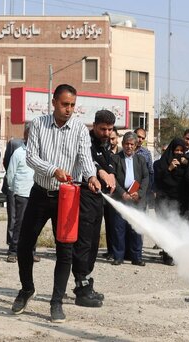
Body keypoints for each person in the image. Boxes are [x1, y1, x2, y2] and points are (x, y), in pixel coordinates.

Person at [11, 84, 100, 323]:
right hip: (40, 195)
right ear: (53, 102)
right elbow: (31, 157)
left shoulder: (80, 130)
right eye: (64, 104)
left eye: (72, 105)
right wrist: (53, 170)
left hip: (67, 199)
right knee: (24, 245)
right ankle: (27, 289)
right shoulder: (38, 124)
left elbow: (85, 158)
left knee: (65, 251)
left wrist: (91, 177)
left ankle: (56, 302)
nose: (69, 109)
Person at [72, 109, 116, 308]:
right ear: (95, 126)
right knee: (84, 243)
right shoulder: (86, 141)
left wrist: (111, 174)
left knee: (94, 244)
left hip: (98, 200)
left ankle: (87, 283)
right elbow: (87, 160)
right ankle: (81, 289)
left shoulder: (105, 145)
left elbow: (108, 164)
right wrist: (100, 172)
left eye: (110, 129)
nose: (106, 133)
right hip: (84, 198)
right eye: (103, 129)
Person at [111, 131, 149, 266]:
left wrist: (139, 193)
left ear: (135, 145)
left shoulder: (141, 160)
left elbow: (145, 178)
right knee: (119, 229)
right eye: (126, 144)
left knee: (136, 229)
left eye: (131, 144)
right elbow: (113, 178)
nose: (129, 146)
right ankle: (118, 257)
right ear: (122, 144)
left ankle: (137, 257)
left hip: (136, 199)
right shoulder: (116, 158)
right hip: (121, 198)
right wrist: (122, 193)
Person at [154, 138, 188, 265]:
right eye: (176, 150)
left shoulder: (186, 164)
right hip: (165, 201)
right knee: (167, 227)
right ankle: (167, 255)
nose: (178, 153)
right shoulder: (161, 164)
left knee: (179, 228)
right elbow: (159, 181)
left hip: (181, 201)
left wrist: (187, 164)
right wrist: (169, 168)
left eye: (181, 150)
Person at [5, 125, 34, 263]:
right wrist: (13, 188)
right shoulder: (18, 153)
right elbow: (10, 173)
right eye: (31, 133)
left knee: (34, 224)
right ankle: (13, 251)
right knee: (20, 223)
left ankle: (31, 252)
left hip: (36, 193)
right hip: (22, 193)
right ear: (26, 134)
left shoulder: (41, 153)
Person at [2, 136, 24, 250]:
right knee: (13, 217)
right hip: (14, 185)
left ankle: (30, 249)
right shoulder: (15, 144)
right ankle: (12, 245)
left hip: (31, 187)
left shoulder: (39, 145)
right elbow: (7, 163)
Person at [102, 126, 121, 260]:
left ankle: (116, 251)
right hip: (103, 192)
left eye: (113, 138)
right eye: (109, 138)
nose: (111, 141)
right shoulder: (103, 152)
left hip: (117, 194)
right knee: (107, 223)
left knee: (115, 224)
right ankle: (109, 251)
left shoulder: (121, 154)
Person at [133, 127, 153, 207]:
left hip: (141, 190)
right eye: (138, 136)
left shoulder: (146, 153)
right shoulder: (125, 151)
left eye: (143, 138)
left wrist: (149, 190)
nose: (140, 140)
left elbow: (150, 172)